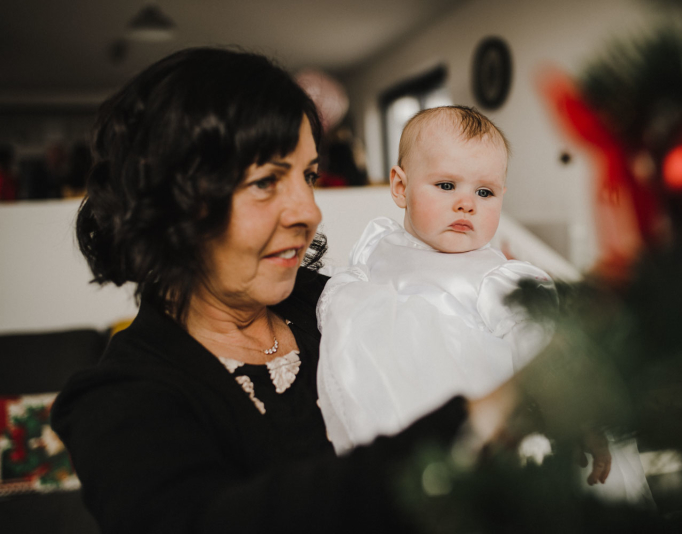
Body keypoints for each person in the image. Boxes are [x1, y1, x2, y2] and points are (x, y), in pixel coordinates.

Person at [49, 48, 498, 534]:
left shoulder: (342, 303)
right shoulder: (120, 399)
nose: (309, 211)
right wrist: (478, 420)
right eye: (266, 181)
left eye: (308, 176)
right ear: (171, 201)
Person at [316, 106, 558, 454]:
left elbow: (548, 355)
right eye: (446, 185)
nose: (467, 204)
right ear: (400, 186)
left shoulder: (498, 279)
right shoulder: (376, 247)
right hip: (386, 408)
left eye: (485, 193)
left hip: (474, 431)